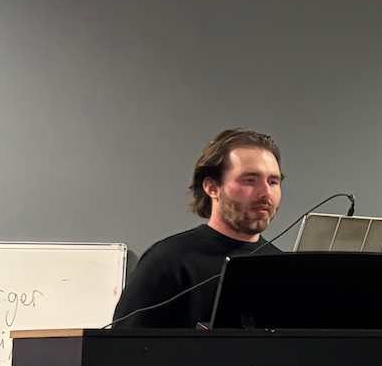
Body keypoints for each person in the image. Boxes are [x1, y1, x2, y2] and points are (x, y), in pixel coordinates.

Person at [113, 129, 284, 329]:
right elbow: (124, 351)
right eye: (250, 180)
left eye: (273, 182)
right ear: (212, 187)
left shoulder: (281, 267)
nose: (266, 193)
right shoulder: (167, 261)